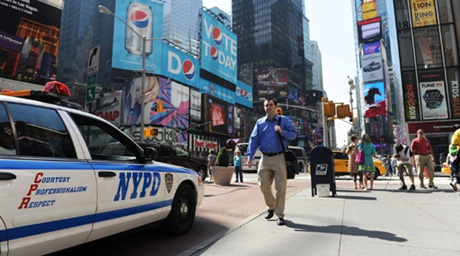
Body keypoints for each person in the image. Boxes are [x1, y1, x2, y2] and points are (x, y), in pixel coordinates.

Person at [247, 98, 297, 226]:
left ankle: (279, 214)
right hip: (265, 158)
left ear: (275, 106)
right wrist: (250, 156)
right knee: (263, 184)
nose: (268, 107)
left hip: (279, 157)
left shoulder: (283, 120)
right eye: (266, 105)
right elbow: (254, 139)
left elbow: (294, 134)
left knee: (280, 187)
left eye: (270, 105)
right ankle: (271, 206)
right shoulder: (260, 123)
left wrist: (282, 131)